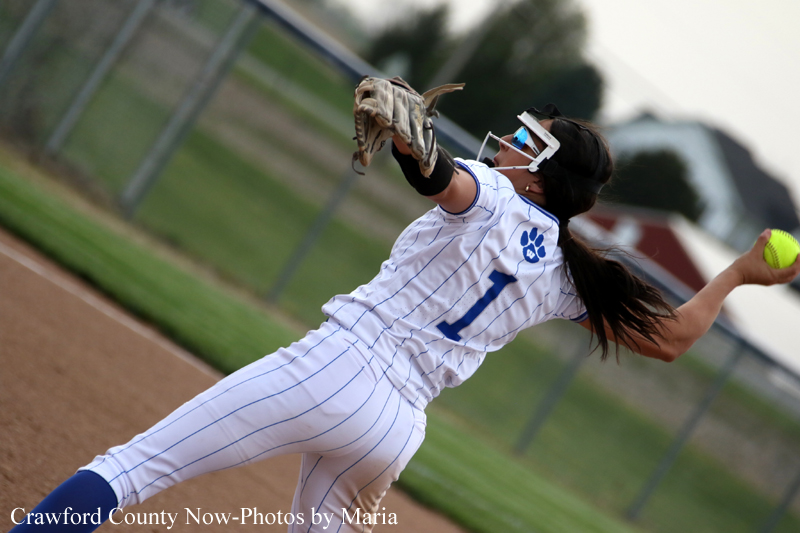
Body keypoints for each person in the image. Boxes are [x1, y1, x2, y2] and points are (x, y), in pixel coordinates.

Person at [11, 81, 800, 533]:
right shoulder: (568, 269)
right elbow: (670, 339)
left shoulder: (495, 190)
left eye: (531, 137)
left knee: (134, 466)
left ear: (539, 168)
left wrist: (413, 144)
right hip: (396, 430)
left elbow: (438, 178)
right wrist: (734, 272)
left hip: (336, 368)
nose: (513, 139)